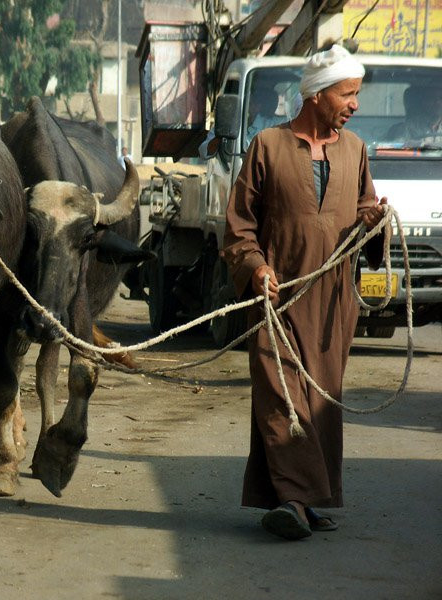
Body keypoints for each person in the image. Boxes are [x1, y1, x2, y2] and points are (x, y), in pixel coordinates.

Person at [221, 44, 388, 540]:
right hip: (278, 299)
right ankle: (295, 501)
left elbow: (360, 217)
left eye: (356, 93)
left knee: (319, 400)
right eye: (348, 93)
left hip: (334, 304)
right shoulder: (266, 146)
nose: (354, 103)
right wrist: (255, 268)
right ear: (316, 94)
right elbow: (239, 227)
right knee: (281, 395)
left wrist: (372, 222)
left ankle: (307, 498)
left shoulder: (355, 150)